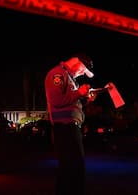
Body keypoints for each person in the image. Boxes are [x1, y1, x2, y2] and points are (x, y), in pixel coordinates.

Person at [44, 53, 97, 195]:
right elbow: (57, 101)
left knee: (71, 168)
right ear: (76, 62)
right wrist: (79, 93)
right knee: (73, 168)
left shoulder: (69, 78)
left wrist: (85, 99)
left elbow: (71, 102)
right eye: (82, 70)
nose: (81, 74)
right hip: (65, 128)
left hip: (70, 128)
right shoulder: (57, 74)